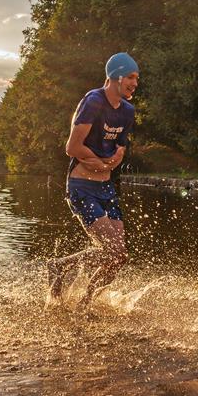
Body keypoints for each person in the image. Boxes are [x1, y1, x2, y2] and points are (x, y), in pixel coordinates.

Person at [48, 52, 138, 306]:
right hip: (82, 187)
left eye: (137, 78)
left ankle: (85, 302)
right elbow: (72, 147)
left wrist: (108, 162)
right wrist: (100, 162)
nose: (135, 83)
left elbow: (120, 151)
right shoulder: (94, 101)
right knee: (112, 250)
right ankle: (60, 266)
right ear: (117, 76)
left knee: (119, 257)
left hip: (106, 188)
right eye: (131, 77)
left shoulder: (128, 111)